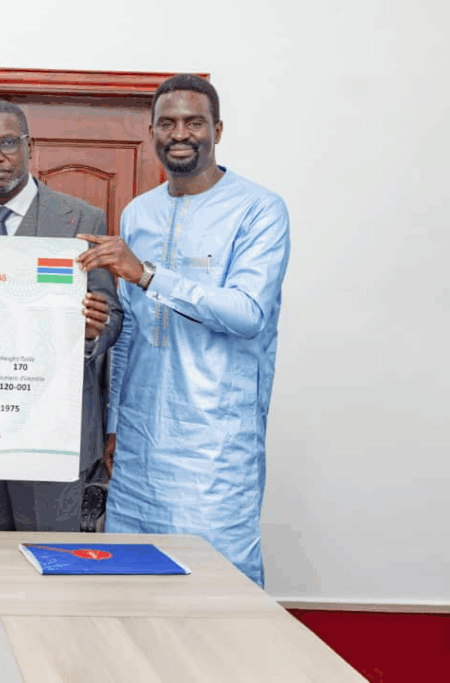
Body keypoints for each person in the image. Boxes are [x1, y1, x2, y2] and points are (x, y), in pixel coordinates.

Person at [76, 74, 291, 586]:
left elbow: (248, 313)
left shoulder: (259, 209)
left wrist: (149, 274)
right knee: (132, 585)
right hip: (138, 444)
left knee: (216, 588)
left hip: (215, 443)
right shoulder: (139, 212)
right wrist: (114, 422)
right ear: (151, 131)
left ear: (217, 129)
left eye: (194, 122)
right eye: (167, 123)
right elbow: (131, 329)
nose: (180, 133)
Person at [0, 99, 122, 532]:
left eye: (6, 143)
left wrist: (93, 331)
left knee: (47, 559)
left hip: (51, 431)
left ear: (29, 147)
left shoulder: (80, 218)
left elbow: (112, 313)